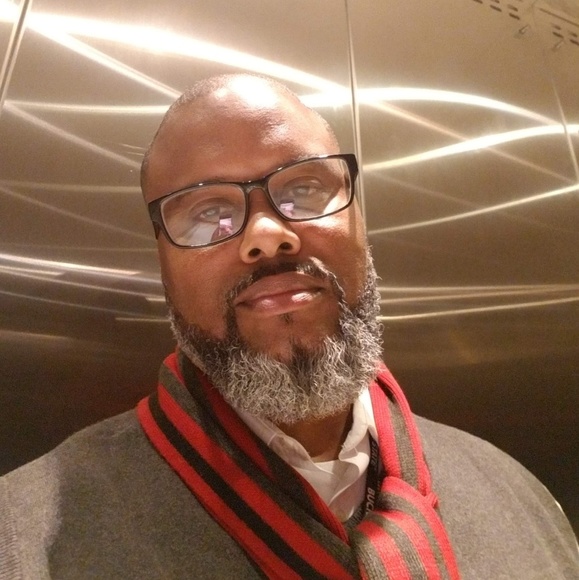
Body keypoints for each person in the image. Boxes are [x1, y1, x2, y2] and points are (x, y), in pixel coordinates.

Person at [0, 74, 577, 580]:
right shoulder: (20, 536)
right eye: (208, 212)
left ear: (358, 217)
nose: (267, 234)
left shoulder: (517, 492)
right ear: (164, 265)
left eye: (303, 189)